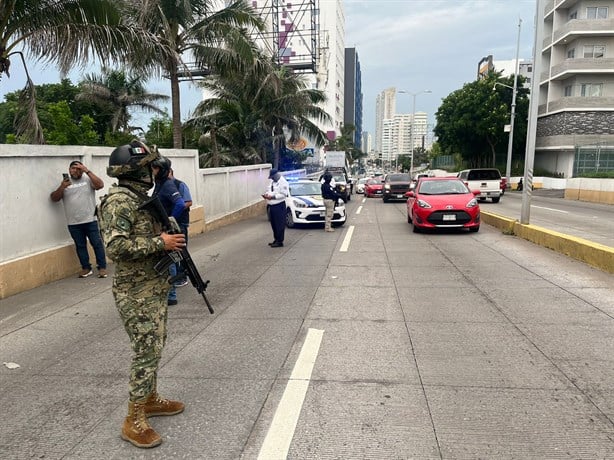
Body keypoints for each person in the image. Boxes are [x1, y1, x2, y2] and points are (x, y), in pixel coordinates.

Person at [98, 140, 186, 449]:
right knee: (146, 351)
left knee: (156, 345)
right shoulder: (119, 201)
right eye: (151, 166)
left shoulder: (140, 199)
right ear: (137, 170)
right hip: (134, 291)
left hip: (153, 284)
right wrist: (160, 243)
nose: (155, 171)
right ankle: (133, 419)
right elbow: (115, 247)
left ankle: (149, 399)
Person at [50, 160, 108, 278]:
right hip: (73, 222)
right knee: (80, 245)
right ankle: (86, 268)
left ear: (82, 170)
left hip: (90, 220)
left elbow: (100, 185)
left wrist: (87, 170)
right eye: (73, 169)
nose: (76, 171)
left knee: (96, 244)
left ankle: (102, 268)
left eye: (78, 169)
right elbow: (54, 198)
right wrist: (62, 187)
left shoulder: (88, 180)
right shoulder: (65, 184)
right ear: (69, 170)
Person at [151, 156, 186, 306]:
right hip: (158, 229)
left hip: (166, 230)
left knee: (169, 262)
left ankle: (171, 295)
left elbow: (180, 204)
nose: (152, 171)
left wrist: (169, 221)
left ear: (162, 170)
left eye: (155, 168)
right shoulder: (158, 184)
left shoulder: (167, 185)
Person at [168, 168, 192, 287]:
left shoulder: (180, 185)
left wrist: (174, 213)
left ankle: (182, 276)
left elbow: (188, 202)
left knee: (182, 251)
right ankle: (175, 275)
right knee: (173, 252)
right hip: (168, 225)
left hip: (180, 223)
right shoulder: (163, 187)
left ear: (171, 173)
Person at [262, 169, 288, 247]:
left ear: (276, 175)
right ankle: (276, 239)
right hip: (271, 206)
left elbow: (284, 194)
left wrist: (273, 197)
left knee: (279, 224)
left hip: (279, 206)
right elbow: (268, 190)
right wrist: (266, 195)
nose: (271, 179)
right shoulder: (272, 182)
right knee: (273, 224)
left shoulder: (283, 182)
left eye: (272, 177)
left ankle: (280, 241)